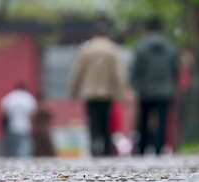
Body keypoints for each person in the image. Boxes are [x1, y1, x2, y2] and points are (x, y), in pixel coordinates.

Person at [71, 28, 123, 156]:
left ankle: (94, 147)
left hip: (90, 92)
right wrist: (120, 91)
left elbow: (78, 71)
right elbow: (118, 73)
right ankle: (107, 149)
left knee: (93, 120)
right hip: (107, 92)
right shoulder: (112, 50)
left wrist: (74, 90)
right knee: (106, 120)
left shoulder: (86, 50)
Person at [131, 18, 179, 155]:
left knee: (144, 120)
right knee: (162, 121)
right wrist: (172, 85)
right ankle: (159, 148)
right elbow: (175, 69)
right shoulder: (170, 47)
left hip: (145, 89)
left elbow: (135, 69)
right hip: (165, 89)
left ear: (147, 29)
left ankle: (142, 149)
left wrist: (135, 85)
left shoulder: (140, 47)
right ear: (162, 29)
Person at [1, 83, 36, 157]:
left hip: (12, 125)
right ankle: (24, 160)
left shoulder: (10, 96)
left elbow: (4, 111)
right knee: (24, 145)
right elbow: (33, 113)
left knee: (12, 146)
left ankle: (12, 159)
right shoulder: (28, 97)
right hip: (25, 126)